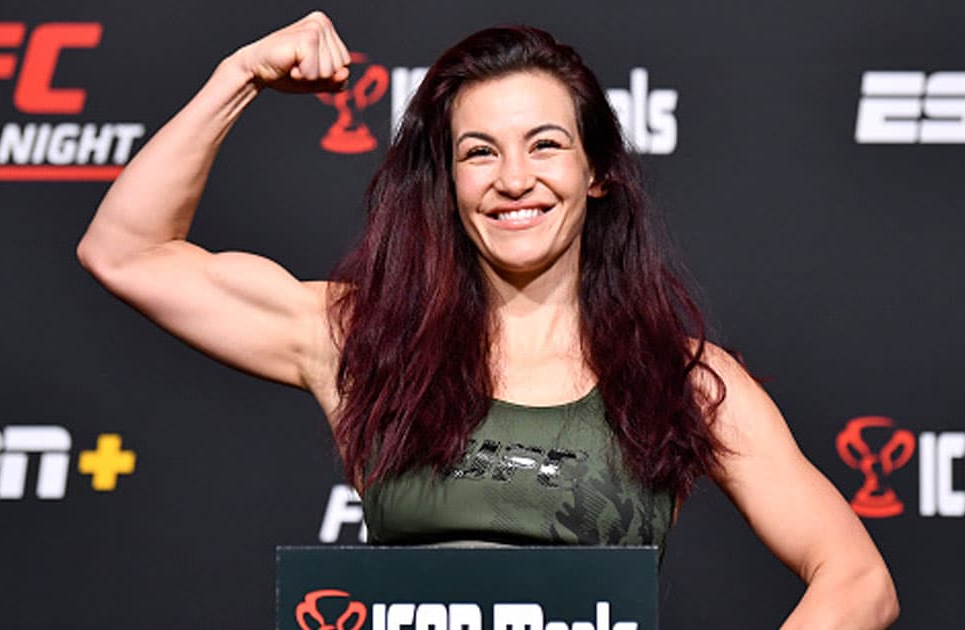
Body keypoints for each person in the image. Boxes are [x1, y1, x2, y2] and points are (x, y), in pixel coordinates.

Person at [77, 11, 899, 628]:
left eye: (545, 146)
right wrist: (241, 75)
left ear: (598, 174)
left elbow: (858, 579)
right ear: (449, 183)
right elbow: (127, 253)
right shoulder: (364, 339)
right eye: (479, 152)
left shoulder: (686, 379)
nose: (514, 180)